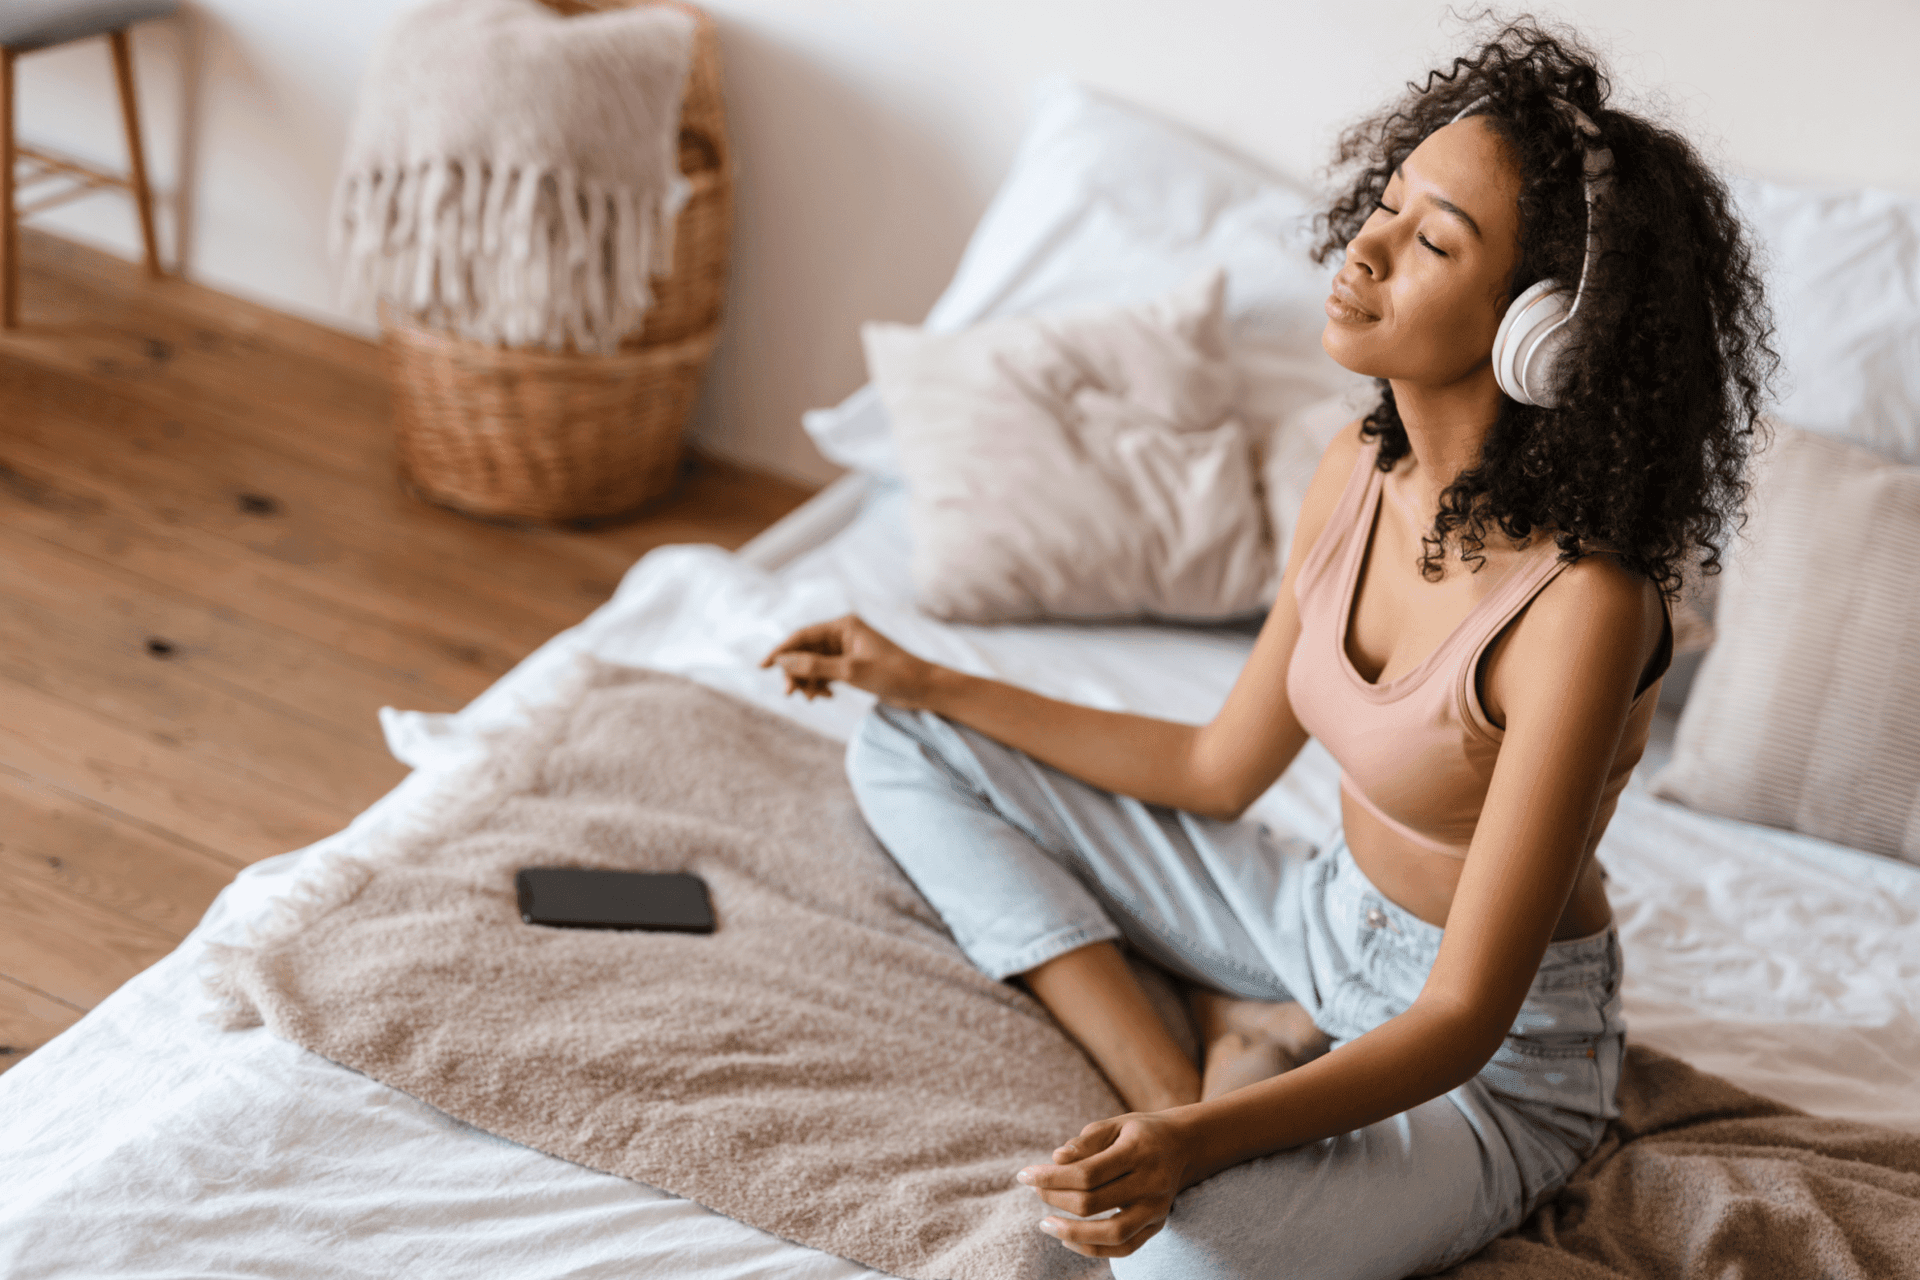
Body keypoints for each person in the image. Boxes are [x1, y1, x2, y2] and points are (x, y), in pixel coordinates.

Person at [761, 18, 1775, 1278]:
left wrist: (1196, 1159)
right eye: (1388, 204)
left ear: (1542, 332)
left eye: (1433, 240)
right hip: (1316, 920)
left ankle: (1220, 1090)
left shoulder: (1586, 607)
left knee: (1187, 1259)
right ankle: (1175, 1065)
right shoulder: (1357, 464)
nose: (1366, 245)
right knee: (907, 745)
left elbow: (1463, 1016)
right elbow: (1212, 765)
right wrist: (915, 674)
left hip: (1491, 1067)